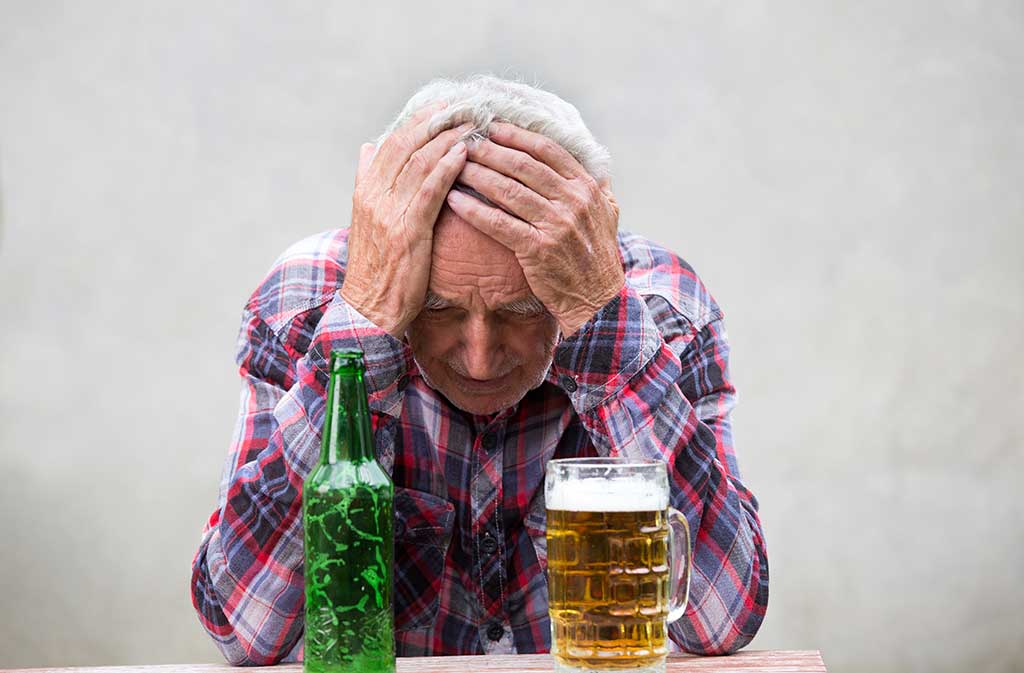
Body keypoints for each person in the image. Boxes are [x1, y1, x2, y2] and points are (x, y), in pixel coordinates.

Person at [190, 75, 768, 663]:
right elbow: (245, 631)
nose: (479, 357)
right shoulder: (301, 305)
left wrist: (601, 318)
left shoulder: (667, 312)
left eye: (519, 310)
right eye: (437, 307)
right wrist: (365, 320)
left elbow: (719, 622)